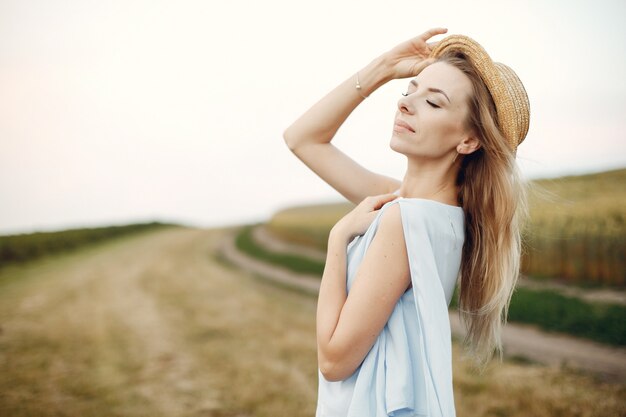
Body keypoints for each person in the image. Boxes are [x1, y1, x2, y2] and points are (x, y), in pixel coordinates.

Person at [283, 28, 530, 417]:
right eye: (407, 91)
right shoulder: (426, 210)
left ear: (468, 141)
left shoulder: (403, 218)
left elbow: (334, 361)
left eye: (432, 102)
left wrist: (337, 239)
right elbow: (302, 139)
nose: (406, 105)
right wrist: (384, 67)